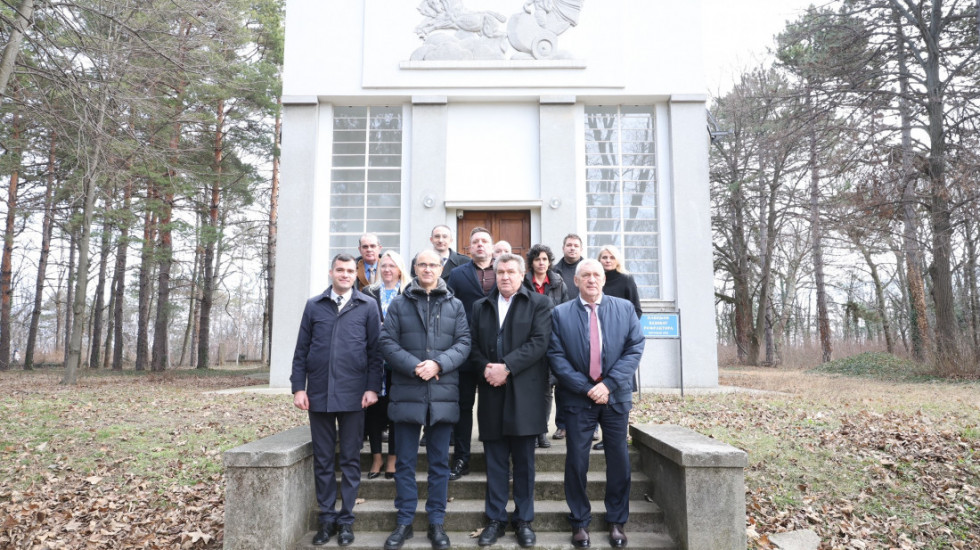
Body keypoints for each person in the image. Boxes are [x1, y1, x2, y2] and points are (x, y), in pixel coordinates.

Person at [547, 259, 644, 549]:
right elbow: (556, 355)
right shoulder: (560, 313)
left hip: (615, 398)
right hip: (578, 400)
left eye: (596, 275)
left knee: (619, 461)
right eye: (585, 275)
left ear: (604, 279)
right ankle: (579, 522)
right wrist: (587, 388)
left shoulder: (624, 309)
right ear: (575, 281)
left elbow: (635, 347)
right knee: (577, 461)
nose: (591, 279)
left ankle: (616, 520)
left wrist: (608, 384)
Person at [379, 249, 471, 550]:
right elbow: (386, 342)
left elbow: (464, 343)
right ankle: (404, 521)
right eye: (422, 264)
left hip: (442, 395)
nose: (428, 269)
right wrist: (414, 366)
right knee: (404, 462)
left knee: (439, 464)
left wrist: (439, 364)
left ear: (440, 267)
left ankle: (436, 522)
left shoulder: (455, 305)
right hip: (407, 393)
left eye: (433, 264)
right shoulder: (399, 304)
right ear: (415, 268)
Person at [290, 253, 383, 547]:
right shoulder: (314, 306)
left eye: (349, 271)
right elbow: (301, 350)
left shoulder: (368, 306)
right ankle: (327, 518)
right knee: (324, 459)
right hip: (318, 393)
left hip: (355, 395)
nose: (345, 275)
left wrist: (372, 388)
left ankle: (346, 520)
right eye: (339, 270)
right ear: (330, 272)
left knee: (351, 459)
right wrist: (298, 388)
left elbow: (375, 353)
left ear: (356, 275)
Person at [470, 253, 553, 548]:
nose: (505, 277)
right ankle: (494, 520)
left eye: (511, 272)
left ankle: (523, 521)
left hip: (524, 394)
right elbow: (473, 345)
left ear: (522, 275)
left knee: (524, 464)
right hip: (492, 392)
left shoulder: (539, 304)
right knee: (494, 463)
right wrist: (486, 368)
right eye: (500, 272)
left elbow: (539, 343)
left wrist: (507, 366)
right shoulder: (481, 306)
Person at [445, 226, 495, 481]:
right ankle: (461, 458)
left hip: (494, 352)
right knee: (463, 407)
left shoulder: (504, 270)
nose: (479, 245)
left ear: (492, 246)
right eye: (475, 242)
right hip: (464, 348)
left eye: (484, 241)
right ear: (469, 247)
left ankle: (495, 460)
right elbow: (448, 306)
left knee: (493, 408)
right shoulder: (457, 274)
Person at [362, 250, 410, 480]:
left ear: (400, 269)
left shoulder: (409, 293)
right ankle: (376, 457)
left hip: (399, 362)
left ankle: (393, 457)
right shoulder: (368, 292)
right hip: (374, 360)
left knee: (395, 411)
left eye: (392, 265)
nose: (387, 269)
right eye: (384, 266)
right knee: (375, 411)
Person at [523, 243, 569, 449]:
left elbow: (565, 311)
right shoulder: (523, 282)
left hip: (552, 340)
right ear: (531, 262)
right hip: (529, 340)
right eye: (537, 259)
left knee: (547, 389)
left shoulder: (559, 283)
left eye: (545, 259)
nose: (541, 263)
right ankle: (531, 431)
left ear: (549, 261)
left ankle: (542, 431)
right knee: (530, 388)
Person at [554, 233, 583, 303]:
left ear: (581, 250)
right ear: (563, 249)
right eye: (569, 245)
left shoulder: (590, 270)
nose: (572, 248)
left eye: (576, 246)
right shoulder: (553, 271)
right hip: (561, 311)